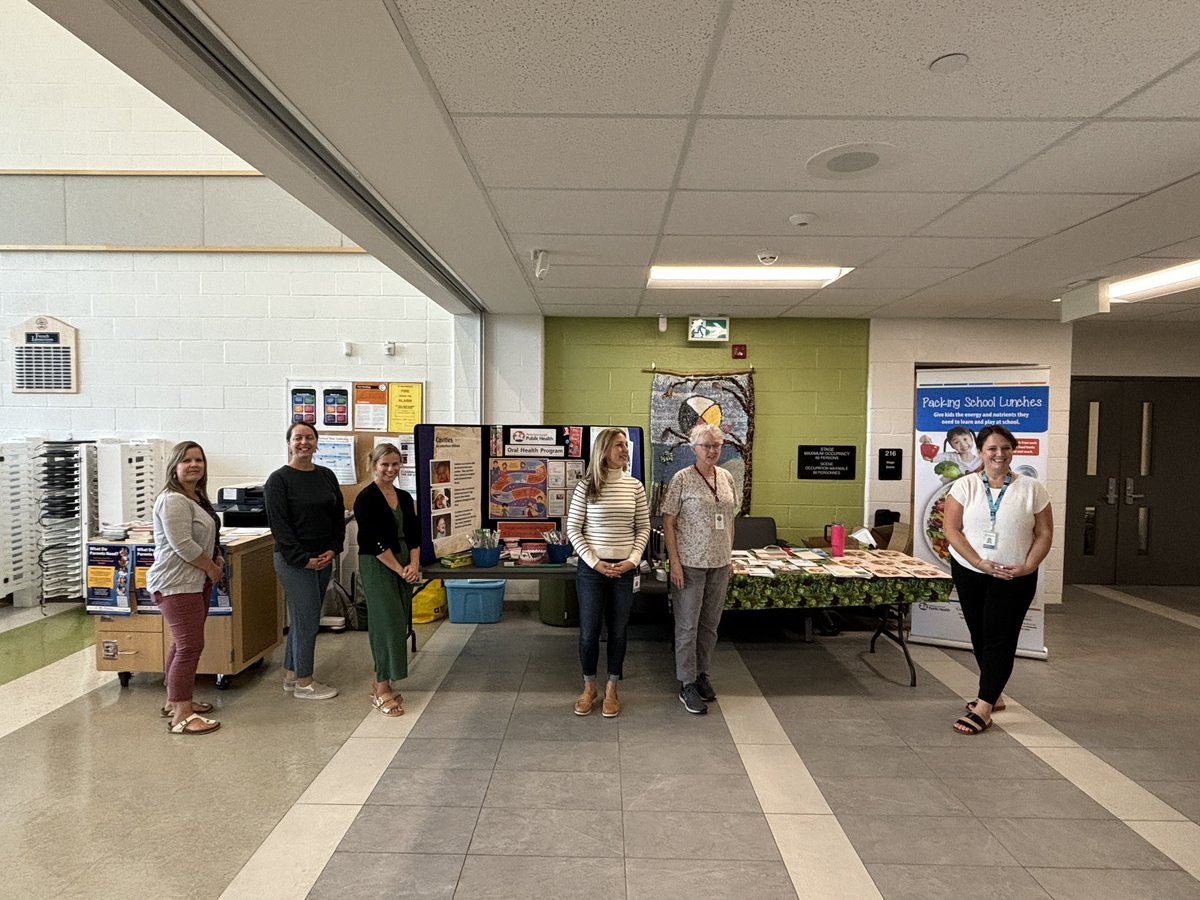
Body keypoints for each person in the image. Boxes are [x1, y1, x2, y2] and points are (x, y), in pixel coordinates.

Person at [943, 424, 1052, 735]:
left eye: (1005, 448)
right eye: (992, 448)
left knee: (1000, 638)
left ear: (1013, 450)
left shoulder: (1033, 489)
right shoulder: (964, 486)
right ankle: (994, 693)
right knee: (979, 634)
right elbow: (951, 530)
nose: (999, 454)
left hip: (1013, 575)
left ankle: (984, 707)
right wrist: (978, 562)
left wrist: (1029, 565)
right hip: (970, 571)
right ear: (980, 452)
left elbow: (1044, 532)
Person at [565, 428, 650, 718]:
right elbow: (573, 529)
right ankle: (589, 687)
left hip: (624, 569)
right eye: (618, 445)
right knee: (589, 631)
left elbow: (643, 528)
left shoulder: (635, 487)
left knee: (618, 630)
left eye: (626, 445)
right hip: (592, 570)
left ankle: (612, 687)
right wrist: (595, 562)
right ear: (603, 451)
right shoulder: (586, 487)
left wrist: (633, 560)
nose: (625, 450)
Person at [146, 441, 224, 735]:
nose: (194, 465)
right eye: (186, 460)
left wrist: (214, 559)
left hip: (195, 581)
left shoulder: (196, 497)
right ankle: (182, 715)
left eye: (198, 460)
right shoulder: (172, 500)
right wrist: (211, 568)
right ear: (174, 466)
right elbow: (183, 545)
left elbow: (204, 536)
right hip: (176, 582)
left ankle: (174, 701)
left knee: (182, 644)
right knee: (190, 646)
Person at [264, 422, 345, 700]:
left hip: (324, 558)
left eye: (309, 437)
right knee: (308, 621)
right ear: (289, 443)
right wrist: (303, 559)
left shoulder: (326, 475)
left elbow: (337, 517)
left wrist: (333, 549)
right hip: (294, 562)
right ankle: (305, 683)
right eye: (298, 438)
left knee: (303, 619)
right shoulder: (278, 480)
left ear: (316, 442)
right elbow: (280, 526)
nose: (304, 443)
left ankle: (291, 674)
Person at [662, 423, 737, 715]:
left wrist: (729, 555)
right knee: (687, 626)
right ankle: (687, 683)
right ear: (693, 448)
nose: (712, 451)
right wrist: (675, 563)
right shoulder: (682, 479)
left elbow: (730, 519)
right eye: (706, 445)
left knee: (709, 626)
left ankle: (703, 674)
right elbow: (668, 521)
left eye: (716, 445)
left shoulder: (726, 477)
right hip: (690, 565)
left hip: (719, 564)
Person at [353, 444, 422, 717]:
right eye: (385, 465)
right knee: (385, 626)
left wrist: (413, 565)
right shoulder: (366, 499)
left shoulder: (404, 497)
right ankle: (381, 688)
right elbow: (373, 541)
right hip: (380, 564)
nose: (391, 470)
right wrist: (399, 568)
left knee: (398, 622)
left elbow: (414, 534)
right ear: (374, 465)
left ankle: (386, 682)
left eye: (395, 464)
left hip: (404, 564)